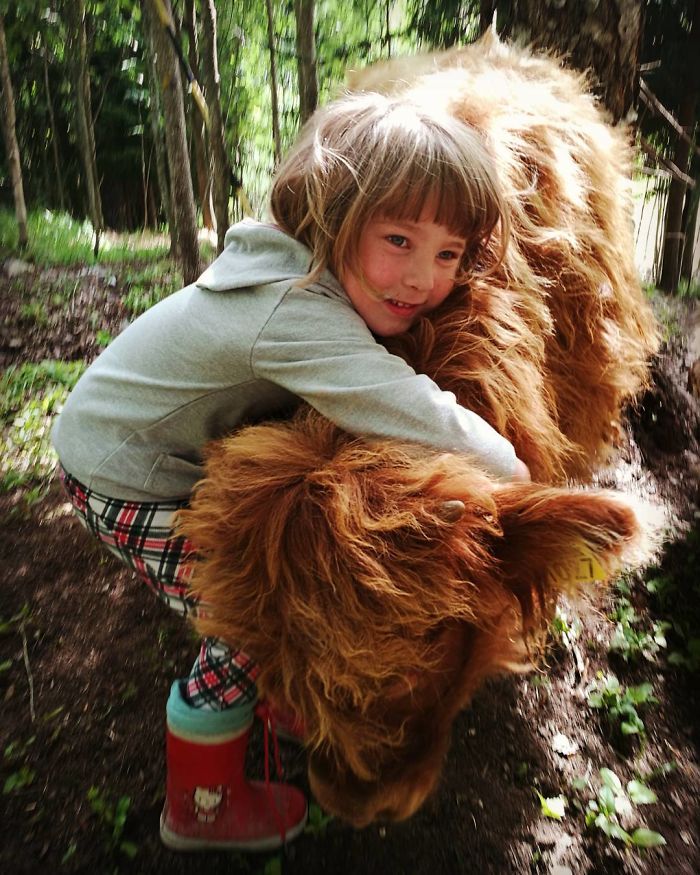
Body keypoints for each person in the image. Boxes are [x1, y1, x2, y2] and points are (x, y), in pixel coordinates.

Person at [51, 90, 530, 854]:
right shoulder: (296, 312)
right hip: (124, 477)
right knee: (256, 625)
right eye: (398, 239)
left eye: (448, 253)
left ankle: (271, 706)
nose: (422, 280)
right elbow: (410, 407)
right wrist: (516, 476)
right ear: (336, 215)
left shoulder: (297, 267)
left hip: (122, 439)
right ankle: (200, 803)